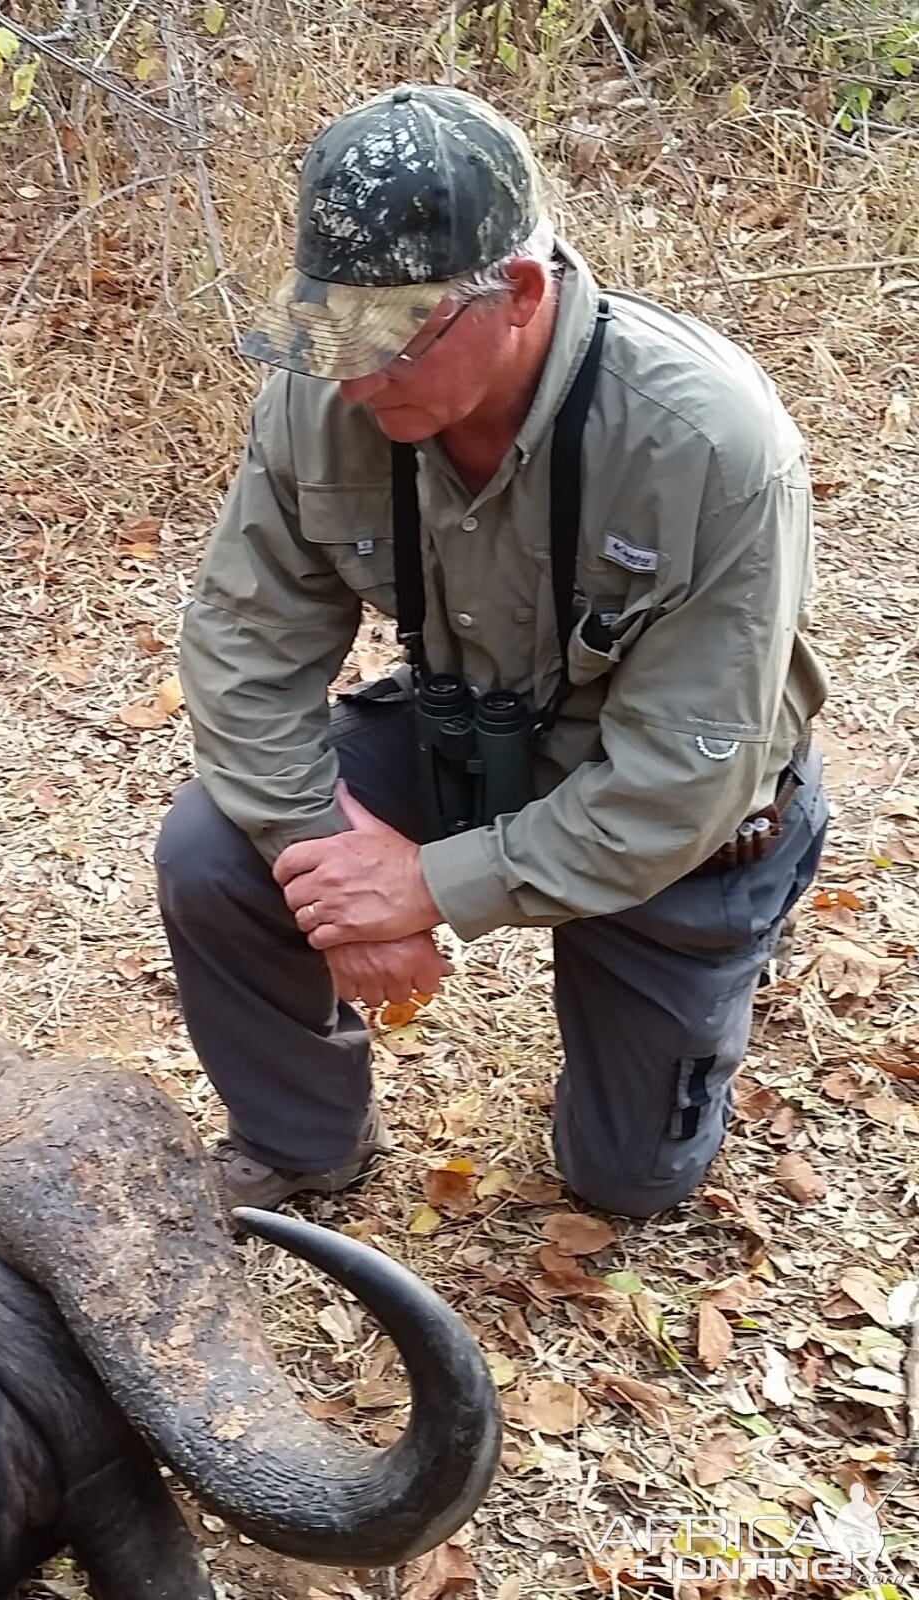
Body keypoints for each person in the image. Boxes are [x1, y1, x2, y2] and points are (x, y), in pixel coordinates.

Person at [154, 84, 830, 1220]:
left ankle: (677, 1017)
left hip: (680, 822)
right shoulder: (324, 392)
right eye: (331, 334)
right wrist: (333, 863)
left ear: (517, 292)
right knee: (216, 846)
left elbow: (682, 780)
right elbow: (241, 648)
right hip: (475, 733)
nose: (353, 381)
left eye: (393, 344)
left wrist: (422, 888)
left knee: (625, 1185)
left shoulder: (708, 442)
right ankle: (300, 1137)